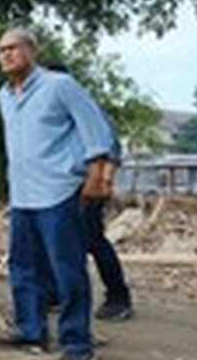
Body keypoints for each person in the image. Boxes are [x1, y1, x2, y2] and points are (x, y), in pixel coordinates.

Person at [0, 28, 115, 360]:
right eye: (1, 50)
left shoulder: (59, 86)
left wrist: (96, 175)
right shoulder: (5, 95)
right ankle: (31, 330)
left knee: (67, 268)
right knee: (23, 267)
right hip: (22, 194)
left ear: (32, 50)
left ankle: (76, 342)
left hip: (59, 191)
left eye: (13, 48)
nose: (6, 55)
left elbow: (96, 129)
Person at [42, 63, 133, 321]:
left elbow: (110, 148)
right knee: (55, 241)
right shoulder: (49, 111)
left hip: (86, 186)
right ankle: (56, 293)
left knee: (93, 240)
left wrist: (103, 181)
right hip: (56, 187)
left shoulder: (87, 108)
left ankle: (118, 297)